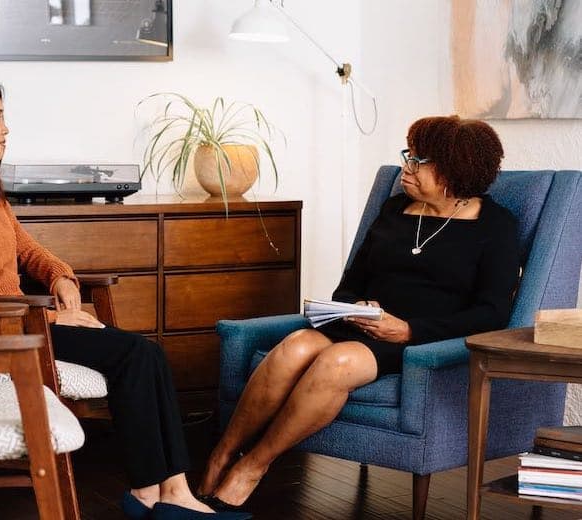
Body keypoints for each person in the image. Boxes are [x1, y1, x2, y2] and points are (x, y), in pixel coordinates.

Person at [0, 73, 251, 520]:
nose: (6, 129)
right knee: (135, 355)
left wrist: (62, 280)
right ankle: (149, 495)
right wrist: (48, 318)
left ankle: (174, 492)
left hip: (24, 325)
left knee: (149, 354)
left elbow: (30, 252)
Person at [197, 115, 520, 509]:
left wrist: (408, 331)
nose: (407, 167)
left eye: (420, 161)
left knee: (337, 363)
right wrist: (354, 306)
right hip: (359, 325)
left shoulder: (496, 227)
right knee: (293, 348)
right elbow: (350, 282)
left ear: (457, 169)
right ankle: (222, 454)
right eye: (408, 156)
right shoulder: (395, 210)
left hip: (418, 342)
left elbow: (491, 314)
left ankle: (254, 466)